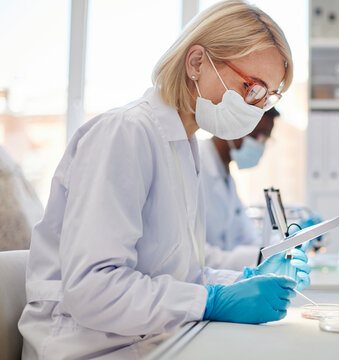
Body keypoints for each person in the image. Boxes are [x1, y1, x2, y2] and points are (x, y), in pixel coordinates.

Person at [18, 2, 310, 359]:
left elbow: (176, 277)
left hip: (146, 340)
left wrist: (242, 279)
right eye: (251, 87)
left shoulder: (181, 146)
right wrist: (213, 300)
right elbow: (93, 290)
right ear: (197, 63)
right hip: (87, 347)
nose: (255, 108)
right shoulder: (124, 134)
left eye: (267, 97)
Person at [201, 108, 279, 271]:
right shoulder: (196, 167)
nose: (260, 145)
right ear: (233, 126)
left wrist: (288, 244)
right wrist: (261, 256)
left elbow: (247, 238)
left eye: (265, 139)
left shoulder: (225, 175)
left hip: (220, 276)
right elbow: (195, 254)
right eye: (258, 136)